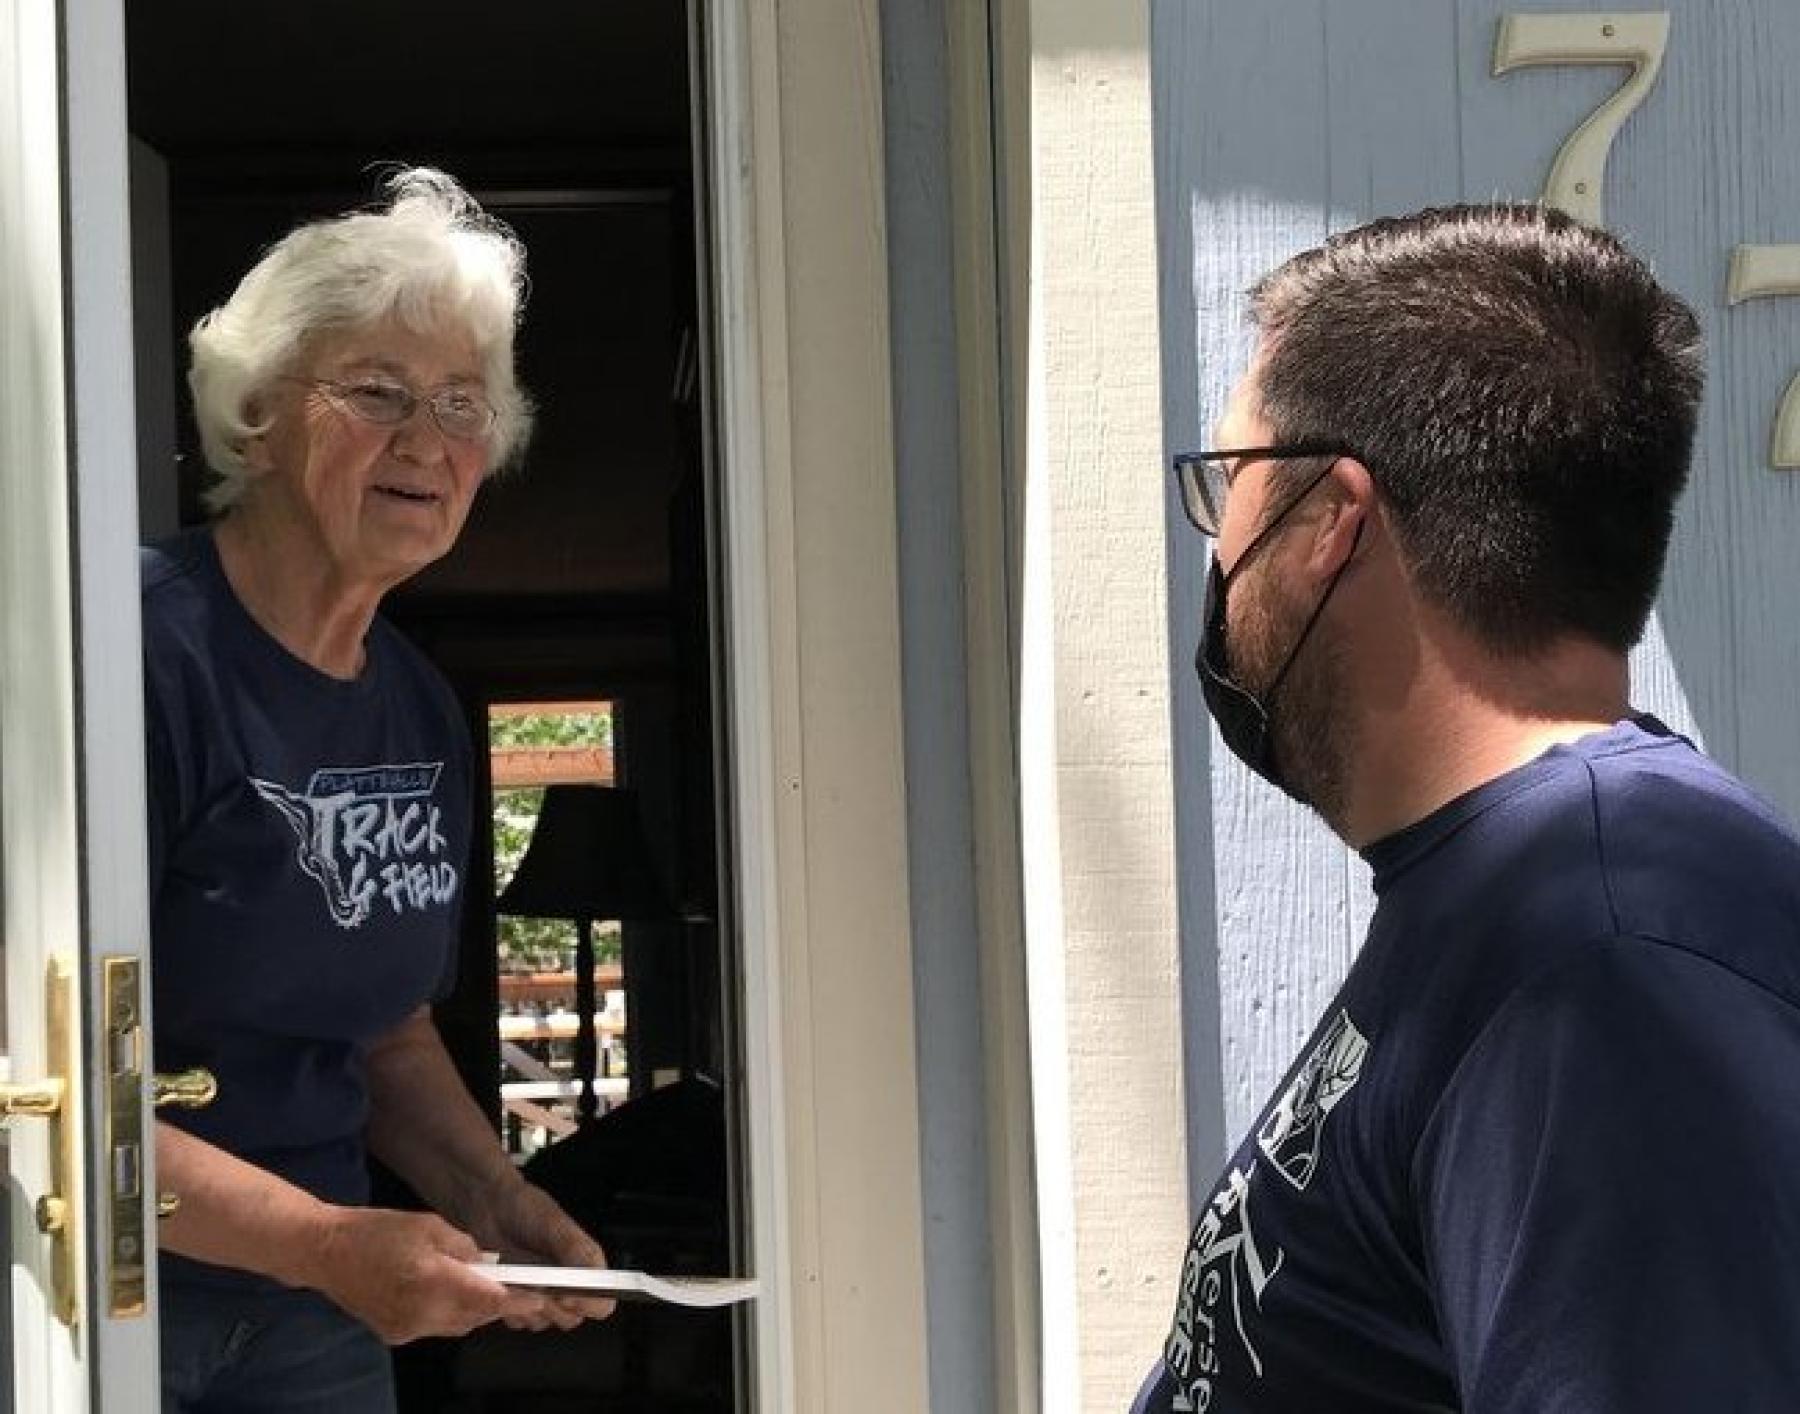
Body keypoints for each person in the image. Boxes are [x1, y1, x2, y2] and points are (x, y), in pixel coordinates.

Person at [1133, 204, 1800, 1412]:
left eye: (1226, 482)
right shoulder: (1518, 905)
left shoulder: (1604, 958)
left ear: (1331, 519)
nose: (1218, 549)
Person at [143, 168, 612, 1414]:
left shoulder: (413, 706)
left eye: (465, 404)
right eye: (377, 392)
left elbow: (385, 1030)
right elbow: (50, 1075)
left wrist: (500, 1203)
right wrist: (330, 1245)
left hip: (306, 1318)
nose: (428, 442)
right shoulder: (135, 658)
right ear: (254, 416)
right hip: (112, 1290)